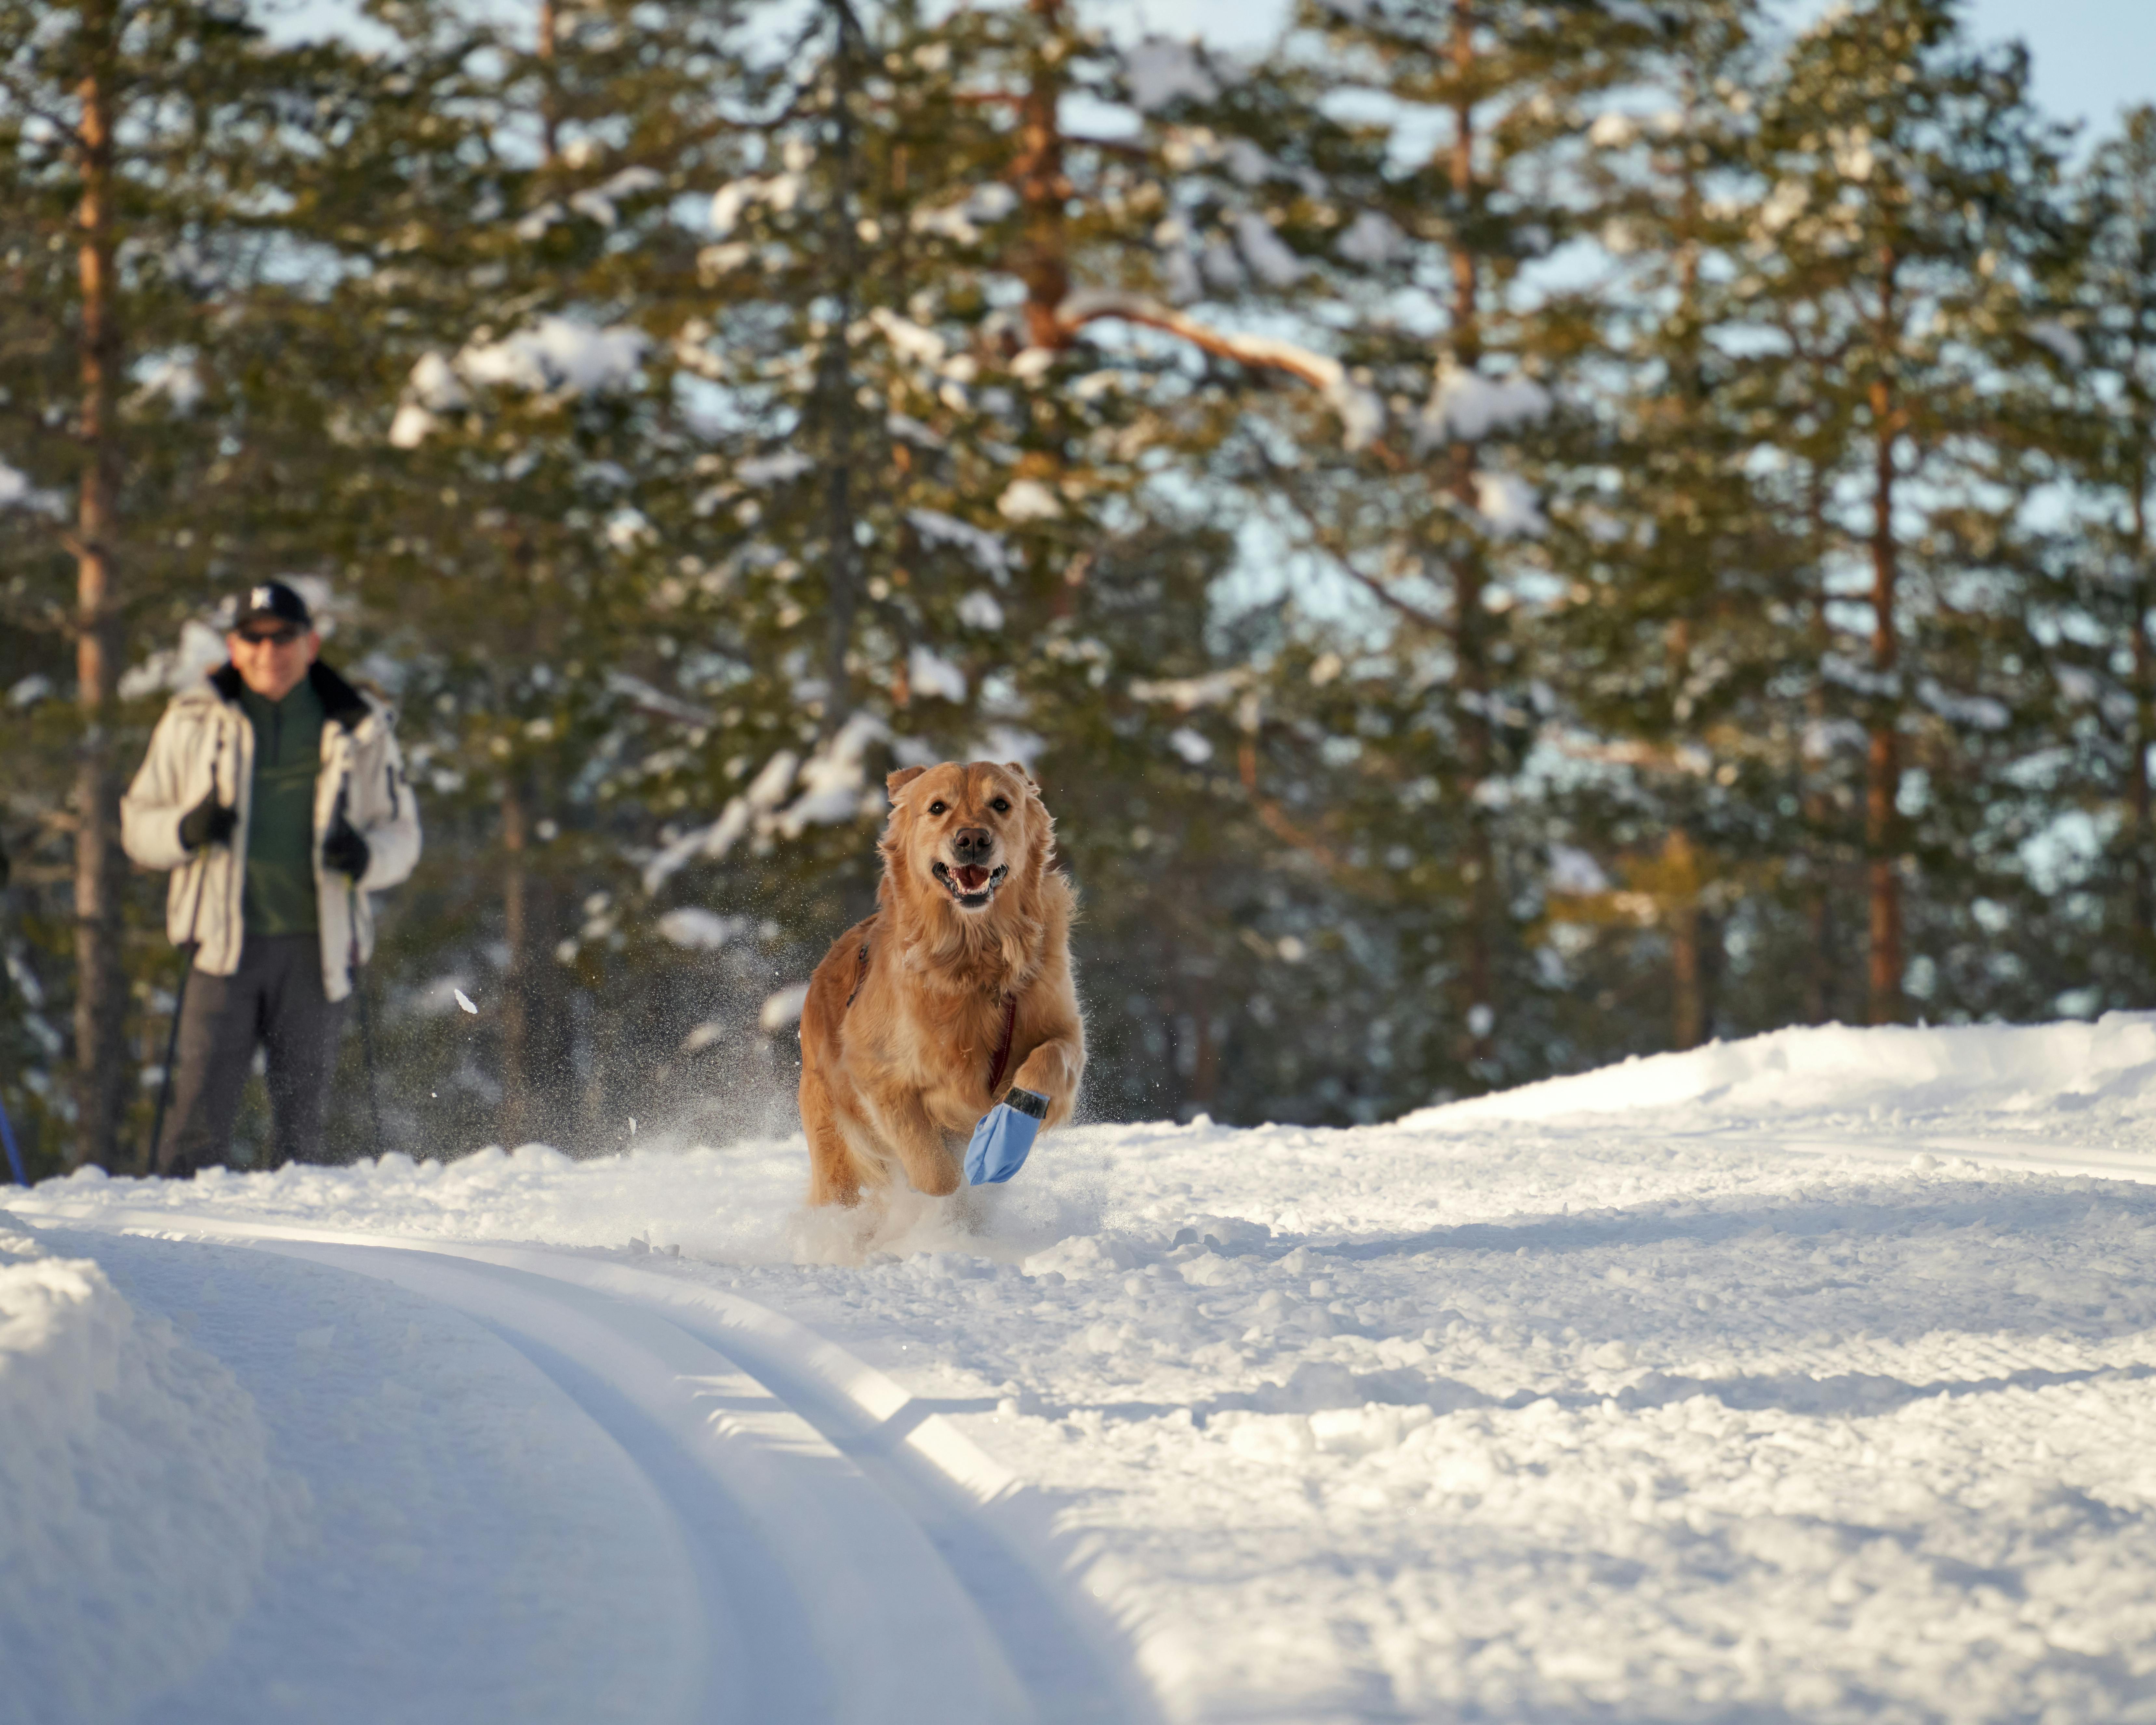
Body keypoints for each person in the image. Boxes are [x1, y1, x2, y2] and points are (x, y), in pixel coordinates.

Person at [122, 582, 420, 1174]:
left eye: (283, 636)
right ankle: (176, 1247)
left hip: (321, 949)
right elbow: (137, 825)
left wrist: (366, 857)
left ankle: (294, 1257)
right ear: (234, 647)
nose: (269, 651)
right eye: (254, 638)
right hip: (219, 945)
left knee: (303, 1132)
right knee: (196, 1124)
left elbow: (403, 836)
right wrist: (187, 830)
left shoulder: (359, 724)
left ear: (309, 643)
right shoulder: (191, 721)